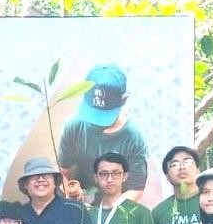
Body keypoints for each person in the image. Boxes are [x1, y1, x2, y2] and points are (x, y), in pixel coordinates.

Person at [57, 64, 149, 201]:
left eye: (105, 116)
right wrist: (69, 190)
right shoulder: (74, 126)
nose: (98, 123)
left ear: (124, 100)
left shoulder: (133, 137)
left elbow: (136, 189)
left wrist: (109, 210)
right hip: (82, 199)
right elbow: (63, 170)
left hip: (118, 202)